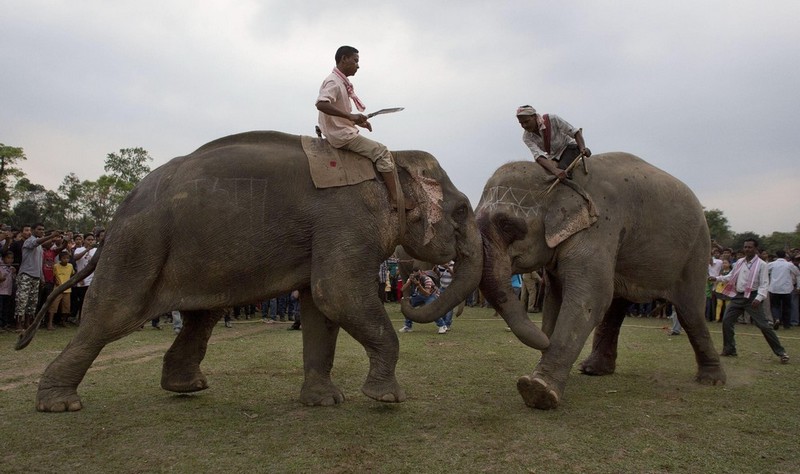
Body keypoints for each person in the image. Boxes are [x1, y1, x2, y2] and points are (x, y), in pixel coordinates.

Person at [315, 45, 414, 210]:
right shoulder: (334, 81)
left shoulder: (341, 83)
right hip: (341, 136)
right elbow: (321, 104)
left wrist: (357, 121)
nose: (358, 65)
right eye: (355, 60)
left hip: (341, 129)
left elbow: (337, 114)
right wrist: (350, 116)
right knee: (382, 152)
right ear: (344, 58)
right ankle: (396, 198)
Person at [711, 239, 789, 363]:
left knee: (764, 326)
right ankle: (730, 349)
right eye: (745, 247)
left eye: (750, 247)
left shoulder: (762, 264)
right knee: (726, 321)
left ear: (756, 249)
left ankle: (781, 352)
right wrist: (716, 278)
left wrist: (759, 297)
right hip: (738, 296)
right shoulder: (740, 262)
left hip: (752, 297)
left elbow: (764, 284)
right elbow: (731, 276)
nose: (747, 249)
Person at [516, 105, 591, 181]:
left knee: (563, 171)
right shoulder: (527, 137)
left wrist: (582, 148)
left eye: (526, 121)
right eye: (521, 123)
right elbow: (538, 156)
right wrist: (554, 170)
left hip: (569, 147)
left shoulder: (552, 119)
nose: (524, 125)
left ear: (534, 116)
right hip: (552, 156)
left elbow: (575, 132)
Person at [15, 224, 60, 331]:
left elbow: (39, 263)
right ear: (33, 231)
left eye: (43, 230)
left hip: (36, 276)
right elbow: (37, 242)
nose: (41, 231)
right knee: (22, 300)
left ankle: (28, 323)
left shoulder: (40, 247)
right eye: (39, 229)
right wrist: (51, 236)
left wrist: (41, 277)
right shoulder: (29, 241)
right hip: (26, 274)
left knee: (32, 302)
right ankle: (18, 324)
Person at [398, 269, 445, 334]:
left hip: (431, 295)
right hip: (419, 295)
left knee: (431, 308)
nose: (417, 276)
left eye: (418, 274)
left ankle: (442, 325)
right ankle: (408, 326)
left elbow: (427, 294)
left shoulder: (427, 279)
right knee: (408, 305)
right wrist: (409, 282)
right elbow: (402, 289)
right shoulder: (412, 278)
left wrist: (418, 285)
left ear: (421, 272)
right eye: (415, 274)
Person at [768, 249, 800, 330]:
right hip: (786, 289)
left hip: (774, 288)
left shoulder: (772, 264)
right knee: (787, 307)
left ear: (776, 255)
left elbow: (764, 272)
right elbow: (798, 274)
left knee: (775, 306)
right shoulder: (789, 265)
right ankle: (786, 324)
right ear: (785, 256)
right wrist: (798, 286)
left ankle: (776, 318)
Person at [71, 233, 97, 324]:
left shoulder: (96, 250)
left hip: (93, 278)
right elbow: (76, 258)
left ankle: (88, 319)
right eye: (88, 240)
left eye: (92, 240)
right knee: (82, 300)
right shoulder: (79, 249)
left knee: (91, 300)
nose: (90, 241)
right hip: (82, 278)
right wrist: (87, 249)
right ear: (84, 240)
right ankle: (80, 319)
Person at [47, 250, 75, 330]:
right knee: (53, 306)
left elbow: (72, 274)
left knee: (66, 307)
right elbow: (53, 275)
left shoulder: (70, 266)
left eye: (67, 258)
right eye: (64, 258)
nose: (65, 260)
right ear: (60, 259)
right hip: (57, 289)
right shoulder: (56, 266)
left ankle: (63, 321)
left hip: (67, 289)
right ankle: (50, 323)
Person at [0, 251, 15, 329]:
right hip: (1, 292)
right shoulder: (1, 267)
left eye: (12, 258)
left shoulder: (12, 268)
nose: (10, 260)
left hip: (8, 292)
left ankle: (4, 324)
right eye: (8, 258)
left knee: (6, 309)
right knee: (1, 309)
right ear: (3, 258)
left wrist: (13, 273)